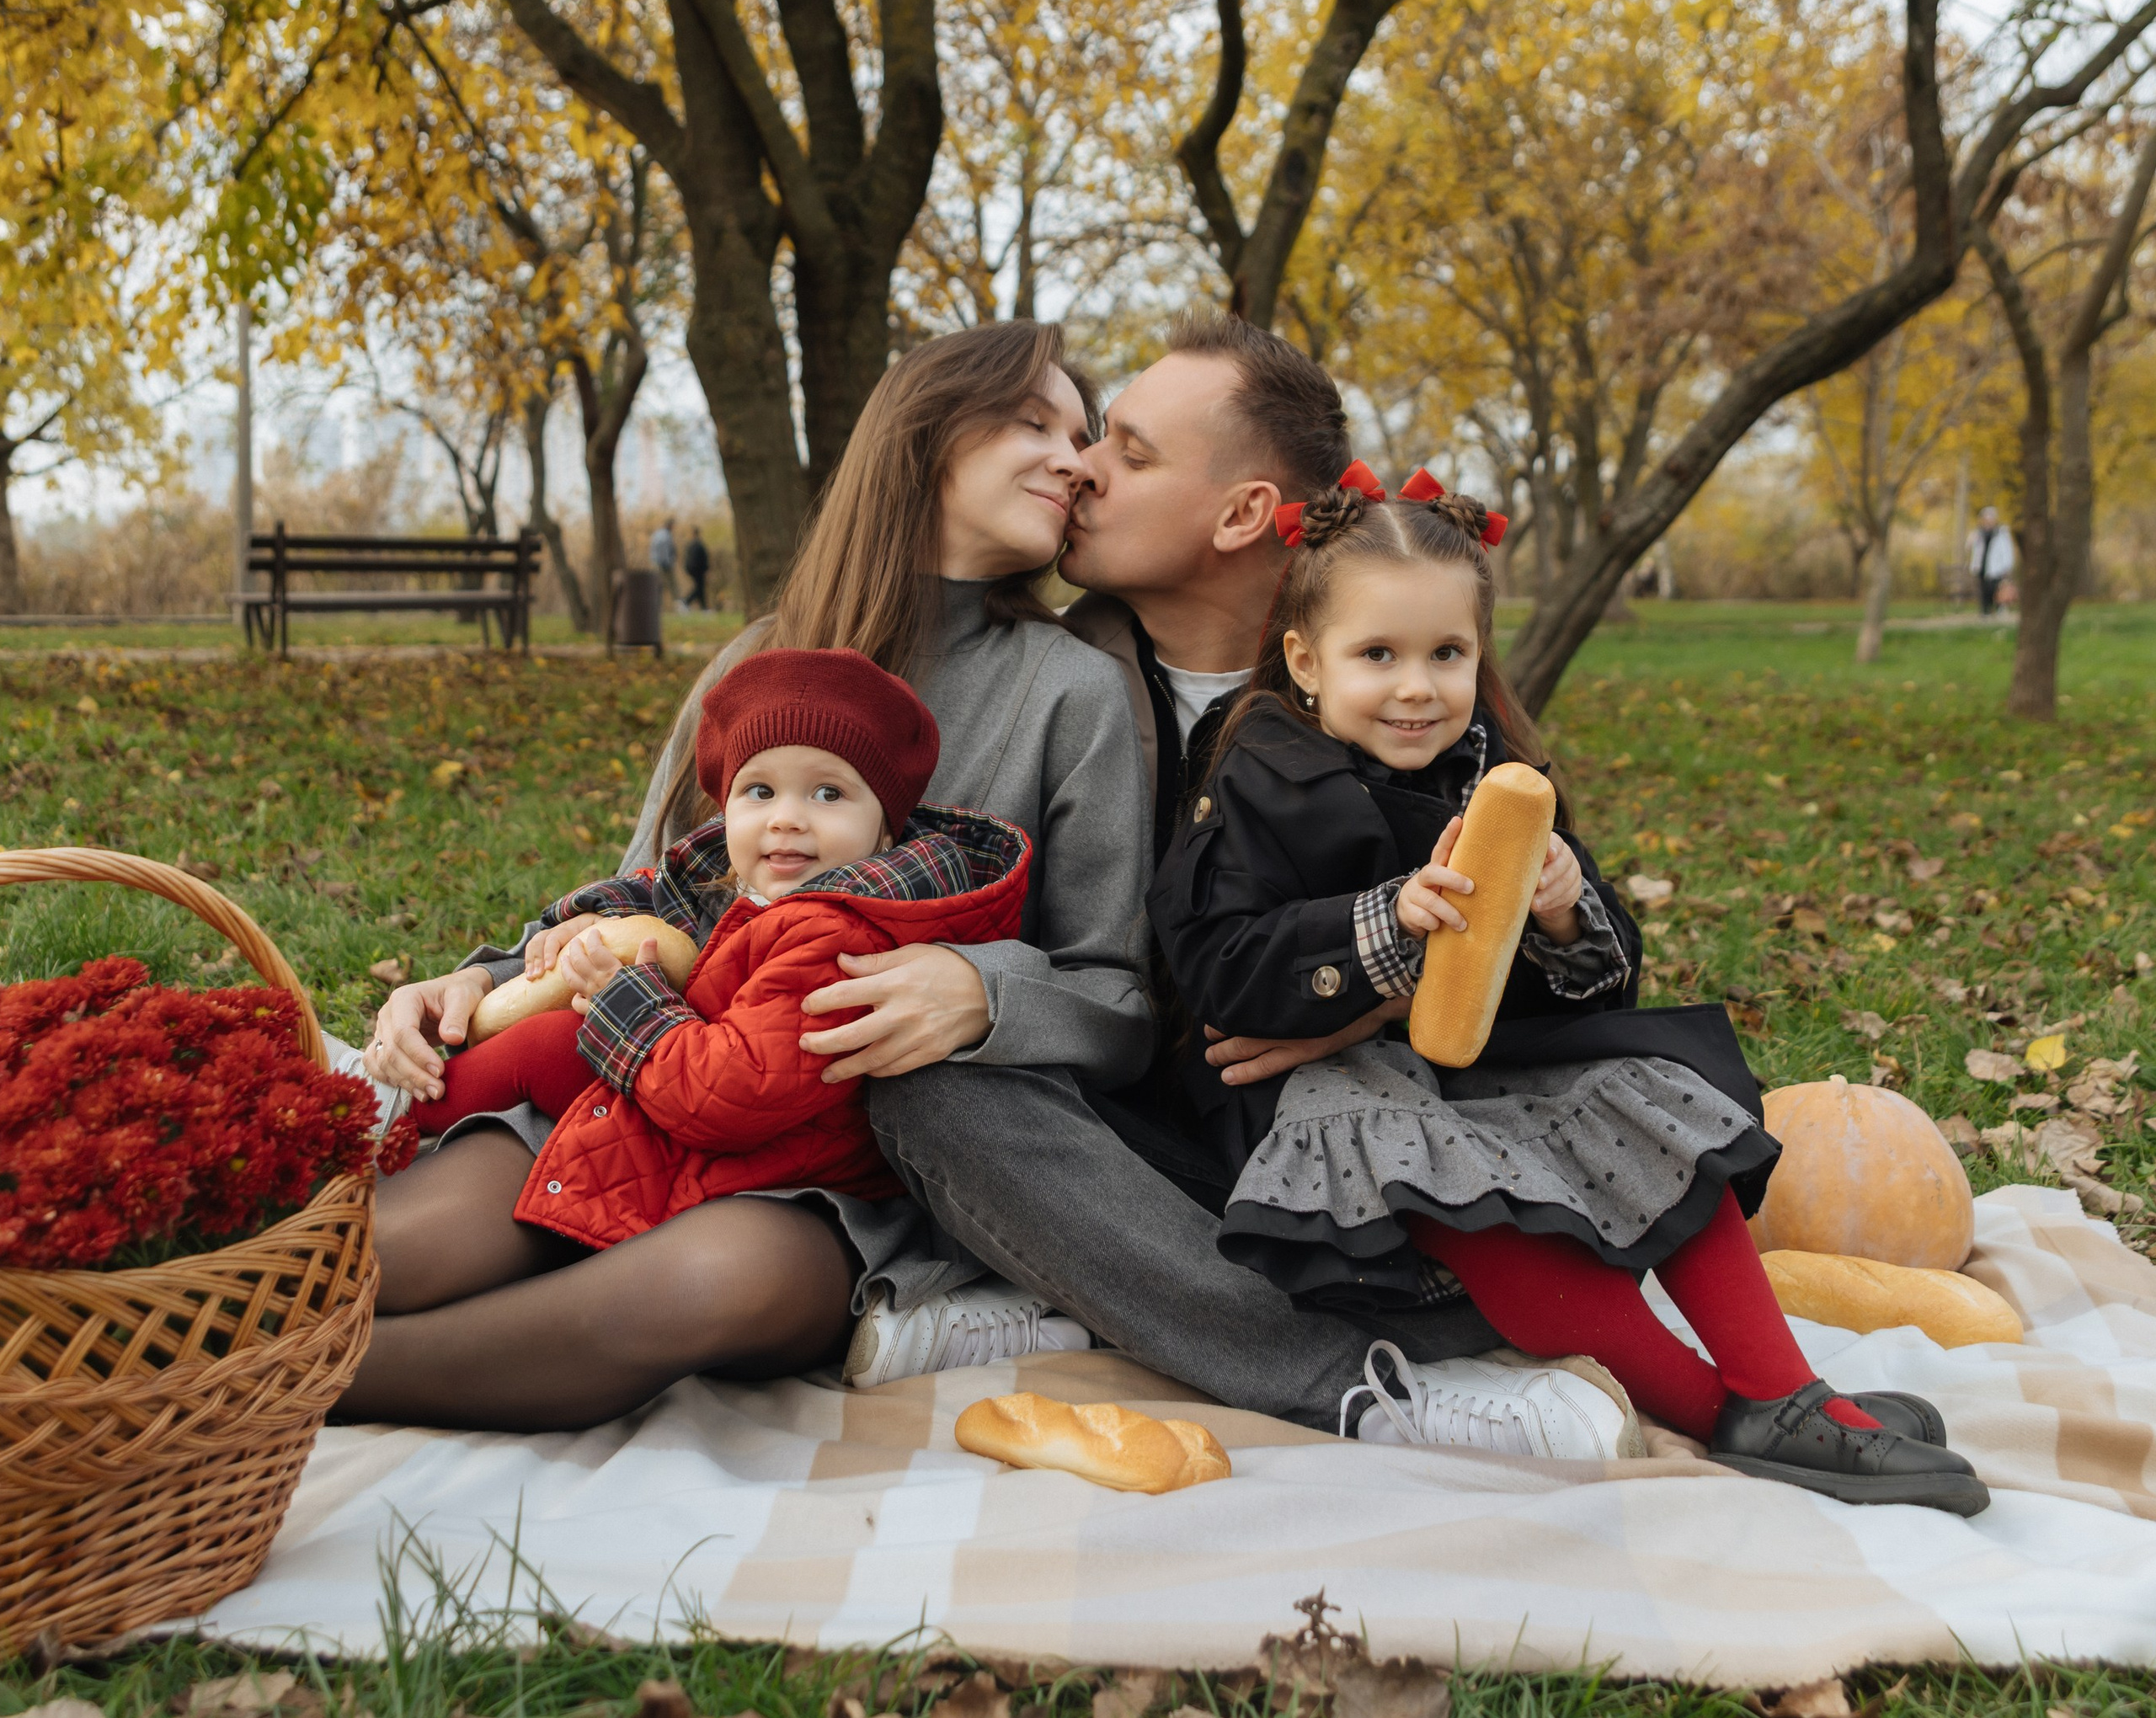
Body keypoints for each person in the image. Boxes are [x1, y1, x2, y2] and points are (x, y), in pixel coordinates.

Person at [616, 311, 1618, 1449]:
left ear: (1242, 513)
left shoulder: (1389, 670)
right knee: (948, 1082)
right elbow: (1041, 950)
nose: (1082, 467)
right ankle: (1073, 1298)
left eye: (1126, 452)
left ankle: (1311, 1358)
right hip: (1129, 1137)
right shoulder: (1077, 665)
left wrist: (1369, 987)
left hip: (1358, 1149)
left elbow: (1567, 953)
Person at [1148, 463, 1987, 1510]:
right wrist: (1389, 924)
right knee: (1438, 1164)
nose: (1418, 687)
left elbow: (1593, 987)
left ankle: (1784, 1388)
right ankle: (1714, 1409)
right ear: (1305, 661)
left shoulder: (1492, 769)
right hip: (1310, 1094)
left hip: (1476, 1061)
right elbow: (1218, 963)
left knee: (1646, 1100)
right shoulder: (1256, 778)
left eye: (1447, 654)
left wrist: (1558, 909)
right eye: (1379, 656)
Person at [350, 323, 1141, 1428]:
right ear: (923, 437)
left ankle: (265, 1401)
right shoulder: (757, 658)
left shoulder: (1073, 690)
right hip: (644, 1080)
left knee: (685, 1295)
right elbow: (638, 901)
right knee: (397, 1253)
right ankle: (125, 1365)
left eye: (1084, 433)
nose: (1076, 457)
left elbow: (1121, 994)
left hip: (845, 1165)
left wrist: (985, 996)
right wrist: (474, 978)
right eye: (1034, 423)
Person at [1967, 506, 2015, 616]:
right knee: (1984, 589)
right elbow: (1971, 547)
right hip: (1982, 567)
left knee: (1997, 589)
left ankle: (2000, 608)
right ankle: (1985, 610)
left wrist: (2007, 566)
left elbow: (2007, 551)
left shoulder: (2001, 533)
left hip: (1996, 567)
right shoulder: (1978, 533)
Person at [650, 517, 679, 604]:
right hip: (664, 563)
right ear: (669, 525)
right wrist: (668, 561)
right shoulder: (665, 535)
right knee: (670, 584)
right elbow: (665, 550)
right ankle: (677, 603)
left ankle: (657, 602)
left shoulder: (657, 534)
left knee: (659, 583)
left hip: (657, 562)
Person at [684, 526, 711, 611]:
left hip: (692, 570)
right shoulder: (699, 545)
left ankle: (704, 608)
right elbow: (704, 559)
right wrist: (706, 569)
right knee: (699, 588)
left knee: (700, 588)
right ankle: (686, 601)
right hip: (699, 570)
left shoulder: (690, 545)